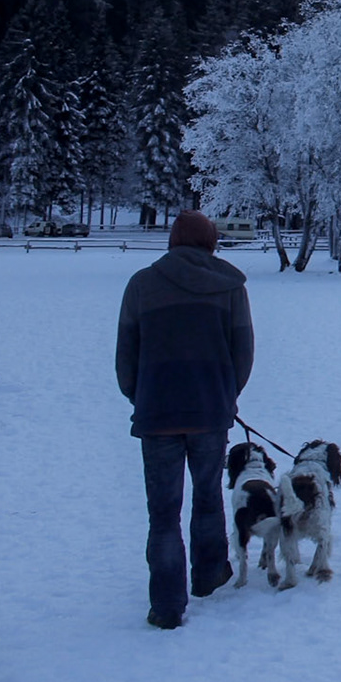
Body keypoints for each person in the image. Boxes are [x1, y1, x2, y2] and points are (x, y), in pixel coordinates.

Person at [115, 209, 254, 629]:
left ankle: (167, 604)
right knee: (208, 497)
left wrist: (141, 397)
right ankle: (209, 575)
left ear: (173, 240)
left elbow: (126, 356)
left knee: (163, 512)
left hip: (157, 414)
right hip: (210, 412)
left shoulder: (141, 285)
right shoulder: (230, 287)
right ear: (211, 242)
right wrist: (226, 396)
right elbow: (243, 352)